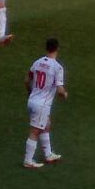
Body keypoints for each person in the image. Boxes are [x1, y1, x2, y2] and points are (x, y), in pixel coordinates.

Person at [23, 38, 67, 169]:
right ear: (57, 49)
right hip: (42, 105)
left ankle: (48, 154)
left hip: (32, 100)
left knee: (46, 125)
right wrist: (64, 94)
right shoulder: (57, 67)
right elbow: (60, 90)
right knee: (35, 131)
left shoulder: (37, 62)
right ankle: (28, 160)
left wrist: (31, 93)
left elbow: (26, 80)